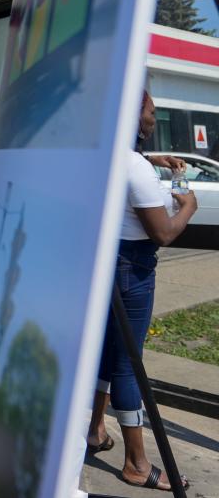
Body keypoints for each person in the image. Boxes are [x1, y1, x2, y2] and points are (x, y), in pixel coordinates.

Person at [87, 91, 194, 491]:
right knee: (128, 364)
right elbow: (164, 232)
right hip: (133, 271)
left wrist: (154, 159)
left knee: (107, 354)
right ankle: (136, 462)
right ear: (134, 115)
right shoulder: (135, 168)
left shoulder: (106, 155)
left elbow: (125, 163)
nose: (154, 118)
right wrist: (189, 206)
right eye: (151, 112)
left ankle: (96, 429)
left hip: (106, 267)